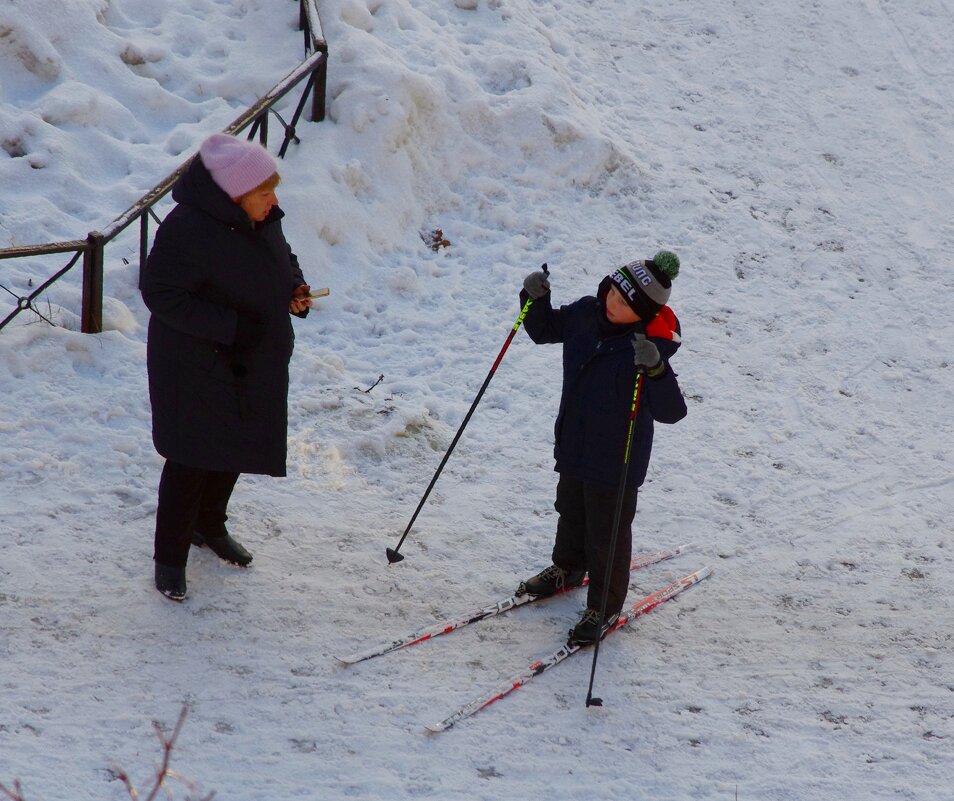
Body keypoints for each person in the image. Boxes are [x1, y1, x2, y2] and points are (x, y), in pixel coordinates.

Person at [140, 133, 312, 601]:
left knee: (235, 443)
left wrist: (293, 286)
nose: (274, 202)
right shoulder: (187, 229)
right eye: (264, 193)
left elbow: (282, 256)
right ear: (232, 196)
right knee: (192, 457)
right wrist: (231, 327)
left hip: (251, 356)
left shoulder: (260, 216)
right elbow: (161, 294)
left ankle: (209, 526)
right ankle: (170, 559)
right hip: (197, 362)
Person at [517, 252, 687, 644]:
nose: (614, 302)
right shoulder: (583, 315)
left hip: (617, 462)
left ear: (643, 314)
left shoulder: (646, 350)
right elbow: (543, 330)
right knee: (570, 512)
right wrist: (533, 299)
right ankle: (568, 568)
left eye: (626, 303)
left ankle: (604, 607)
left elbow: (672, 412)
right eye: (614, 290)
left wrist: (657, 369)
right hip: (574, 443)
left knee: (606, 535)